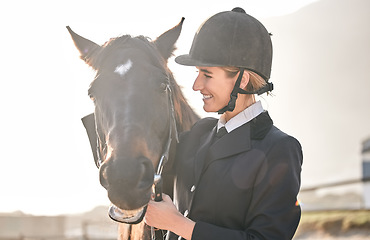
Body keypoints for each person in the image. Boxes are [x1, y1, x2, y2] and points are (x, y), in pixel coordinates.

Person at [144, 7, 303, 240]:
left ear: (242, 79)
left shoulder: (279, 149)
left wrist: (179, 225)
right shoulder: (198, 134)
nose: (197, 85)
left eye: (207, 75)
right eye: (198, 73)